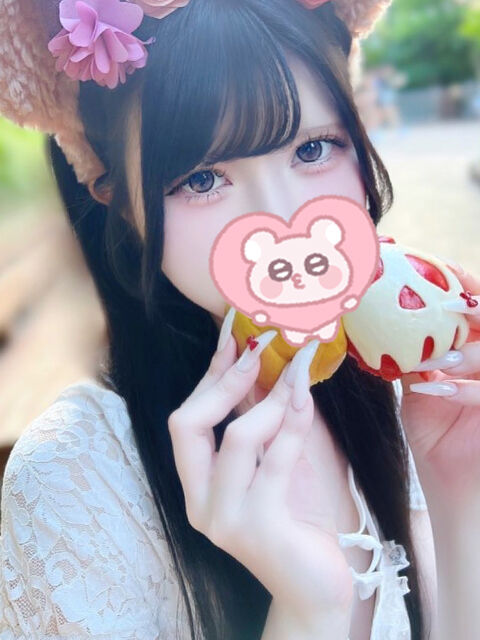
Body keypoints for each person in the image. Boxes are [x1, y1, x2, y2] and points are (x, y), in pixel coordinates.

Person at [2, 0, 480, 638]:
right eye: (201, 180)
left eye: (314, 148)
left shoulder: (410, 388)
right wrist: (309, 612)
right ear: (119, 203)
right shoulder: (76, 481)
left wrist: (459, 491)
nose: (281, 220)